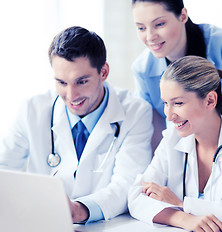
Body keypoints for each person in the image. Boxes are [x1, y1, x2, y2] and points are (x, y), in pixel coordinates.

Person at [0, 26, 153, 223]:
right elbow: (3, 170)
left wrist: (79, 210)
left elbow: (128, 183)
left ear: (104, 72)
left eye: (81, 82)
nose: (71, 97)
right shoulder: (32, 110)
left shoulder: (136, 112)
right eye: (62, 83)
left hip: (106, 225)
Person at [128, 55, 222, 232]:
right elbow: (136, 196)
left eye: (178, 103)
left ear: (210, 100)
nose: (169, 114)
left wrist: (181, 204)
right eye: (166, 103)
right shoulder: (173, 139)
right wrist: (182, 218)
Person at [131, 0, 222, 150]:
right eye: (141, 28)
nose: (150, 36)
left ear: (183, 16)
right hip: (186, 158)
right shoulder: (142, 70)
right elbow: (154, 134)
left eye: (159, 24)